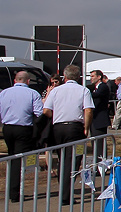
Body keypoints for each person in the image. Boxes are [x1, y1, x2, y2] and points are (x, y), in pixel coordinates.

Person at [42, 65, 93, 204]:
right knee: (74, 160)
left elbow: (46, 110)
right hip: (75, 128)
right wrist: (86, 128)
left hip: (58, 127)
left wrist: (56, 116)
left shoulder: (56, 91)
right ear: (78, 77)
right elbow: (88, 110)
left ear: (65, 77)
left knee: (62, 158)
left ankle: (63, 187)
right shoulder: (83, 90)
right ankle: (66, 194)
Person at [0, 70, 44, 202]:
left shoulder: (4, 93)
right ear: (28, 81)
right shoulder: (32, 93)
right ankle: (14, 192)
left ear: (15, 80)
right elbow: (39, 113)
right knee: (18, 160)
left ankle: (11, 190)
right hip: (23, 128)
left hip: (7, 128)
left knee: (12, 155)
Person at [88, 70, 111, 137]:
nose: (91, 78)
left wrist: (86, 94)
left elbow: (98, 94)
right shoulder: (94, 88)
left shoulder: (103, 86)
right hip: (94, 118)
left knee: (99, 140)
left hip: (100, 119)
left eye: (93, 76)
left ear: (99, 77)